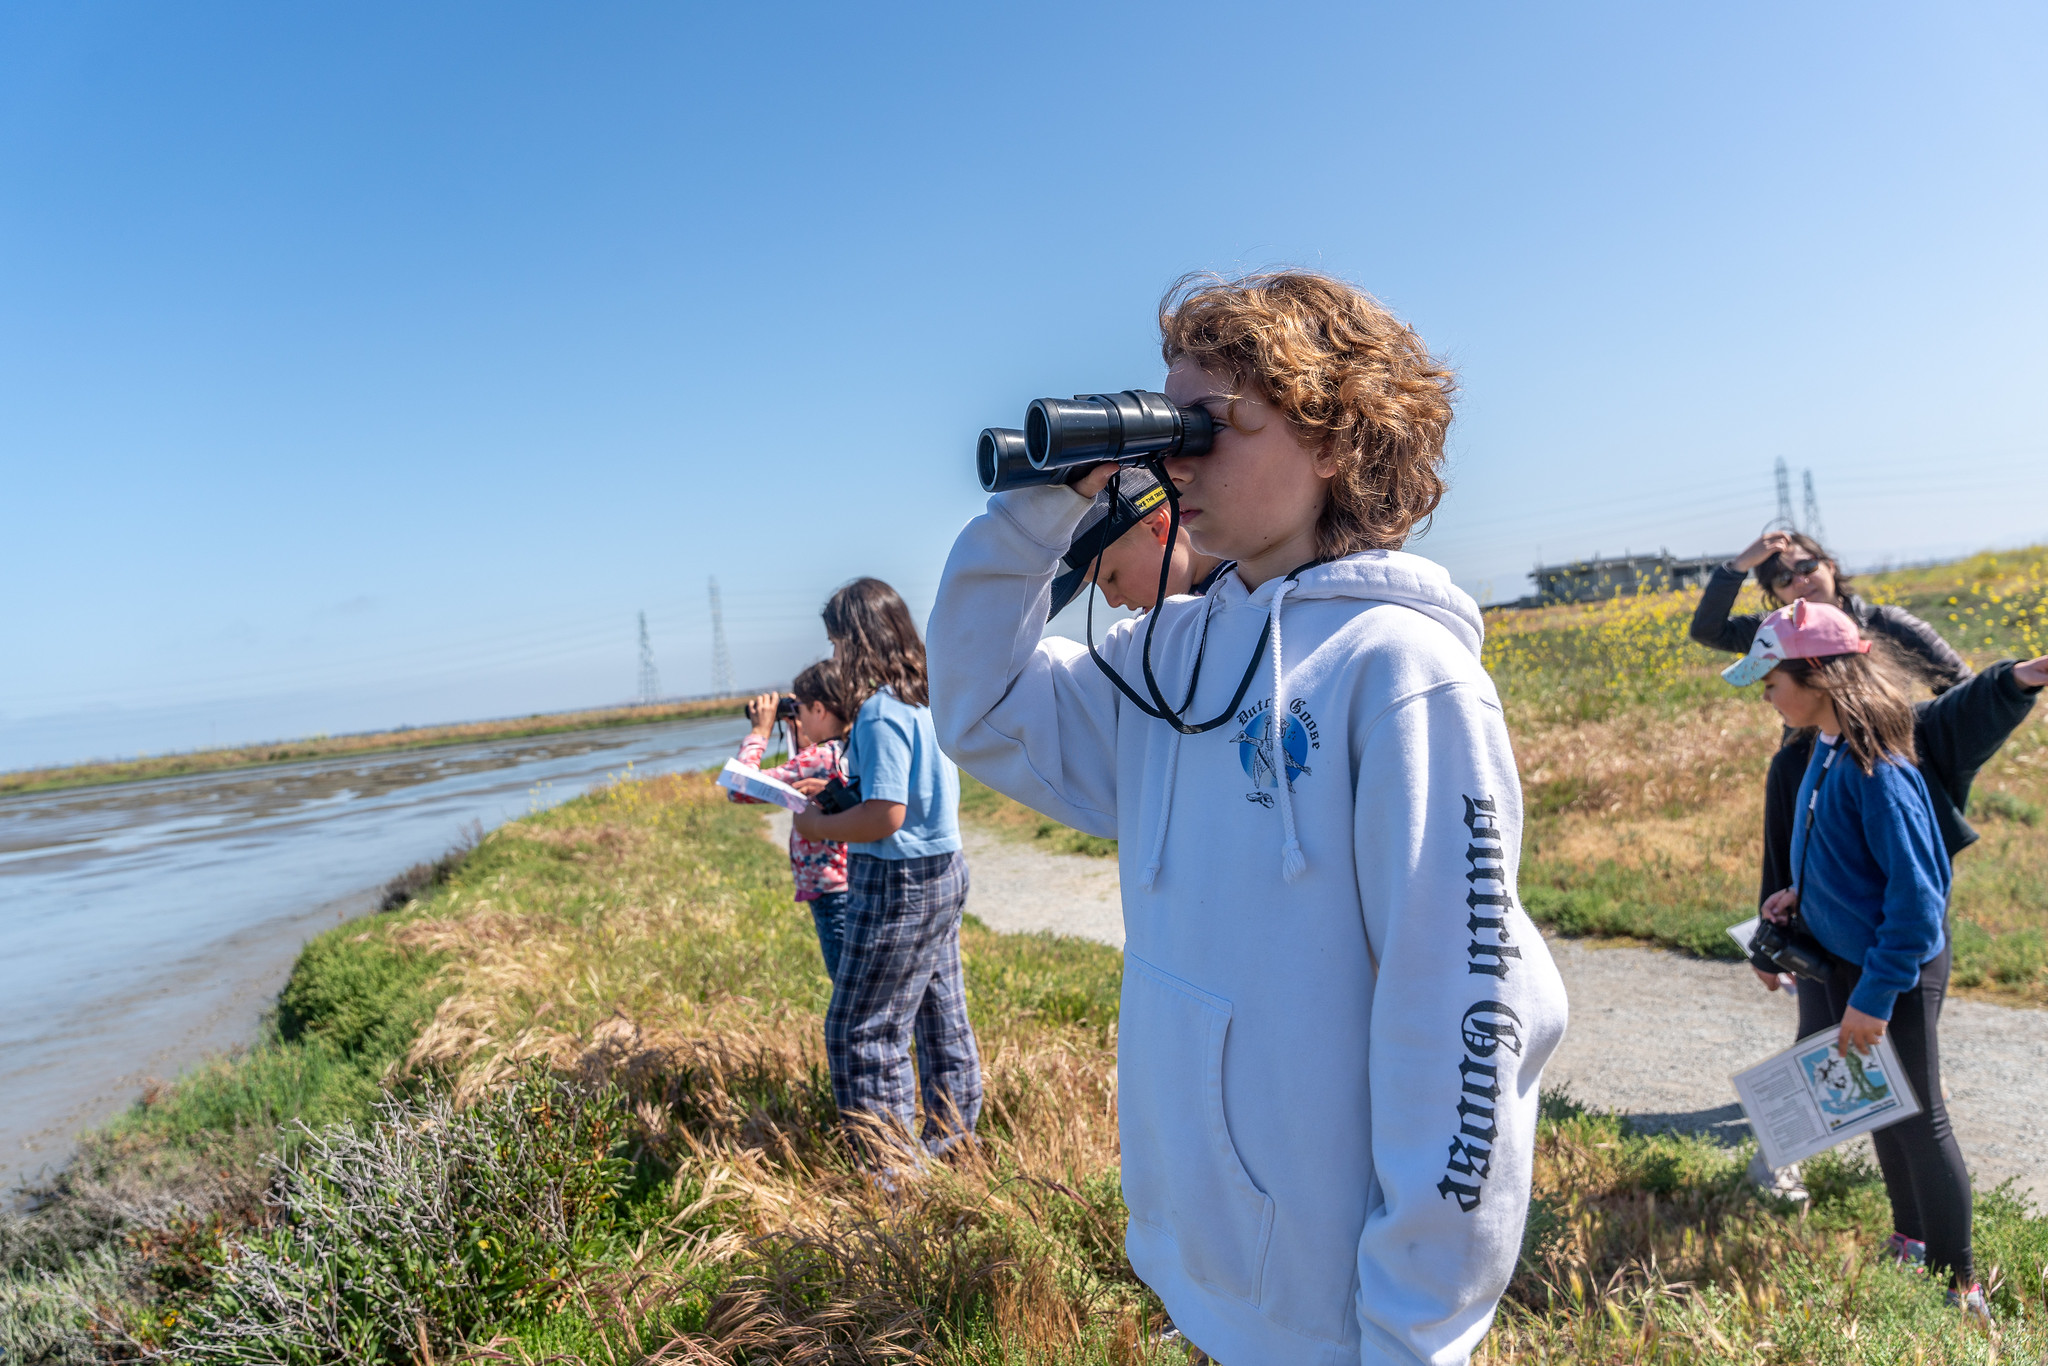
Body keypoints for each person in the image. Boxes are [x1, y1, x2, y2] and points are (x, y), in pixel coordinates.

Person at [929, 271, 1568, 1366]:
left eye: (1212, 424)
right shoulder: (1175, 657)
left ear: (1332, 438)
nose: (1177, 458)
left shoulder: (1399, 672)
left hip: (1344, 1315)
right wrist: (1046, 499)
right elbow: (979, 704)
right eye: (1167, 425)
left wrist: (1416, 1333)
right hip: (1207, 1269)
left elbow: (1464, 1021)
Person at [1722, 601, 1991, 1328]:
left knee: (1922, 1118)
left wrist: (1873, 997)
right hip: (1849, 959)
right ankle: (1909, 1238)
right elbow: (1842, 858)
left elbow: (1916, 905)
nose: (1765, 692)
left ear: (1816, 675)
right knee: (1881, 1107)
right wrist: (1795, 897)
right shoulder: (1825, 751)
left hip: (1891, 969)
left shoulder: (1879, 771)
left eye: (1771, 678)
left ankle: (1958, 1285)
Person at [792, 577, 979, 1161]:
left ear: (860, 639)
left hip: (896, 882)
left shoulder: (876, 712)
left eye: (839, 644)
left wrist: (818, 825)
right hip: (944, 868)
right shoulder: (926, 699)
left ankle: (890, 1171)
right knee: (938, 1013)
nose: (836, 658)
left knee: (862, 1030)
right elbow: (908, 798)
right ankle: (952, 1145)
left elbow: (886, 816)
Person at [1690, 528, 1968, 691]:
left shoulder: (1887, 623)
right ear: (1774, 595)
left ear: (1830, 566)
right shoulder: (1776, 632)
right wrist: (1737, 567)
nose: (1800, 581)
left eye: (1806, 567)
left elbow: (1964, 688)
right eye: (1784, 579)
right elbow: (1708, 631)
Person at [724, 661, 855, 979]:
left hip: (832, 891)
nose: (797, 716)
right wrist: (798, 724)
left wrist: (760, 731)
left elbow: (739, 787)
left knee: (848, 989)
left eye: (801, 709)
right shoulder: (851, 746)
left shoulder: (819, 757)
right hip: (854, 881)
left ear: (820, 710)